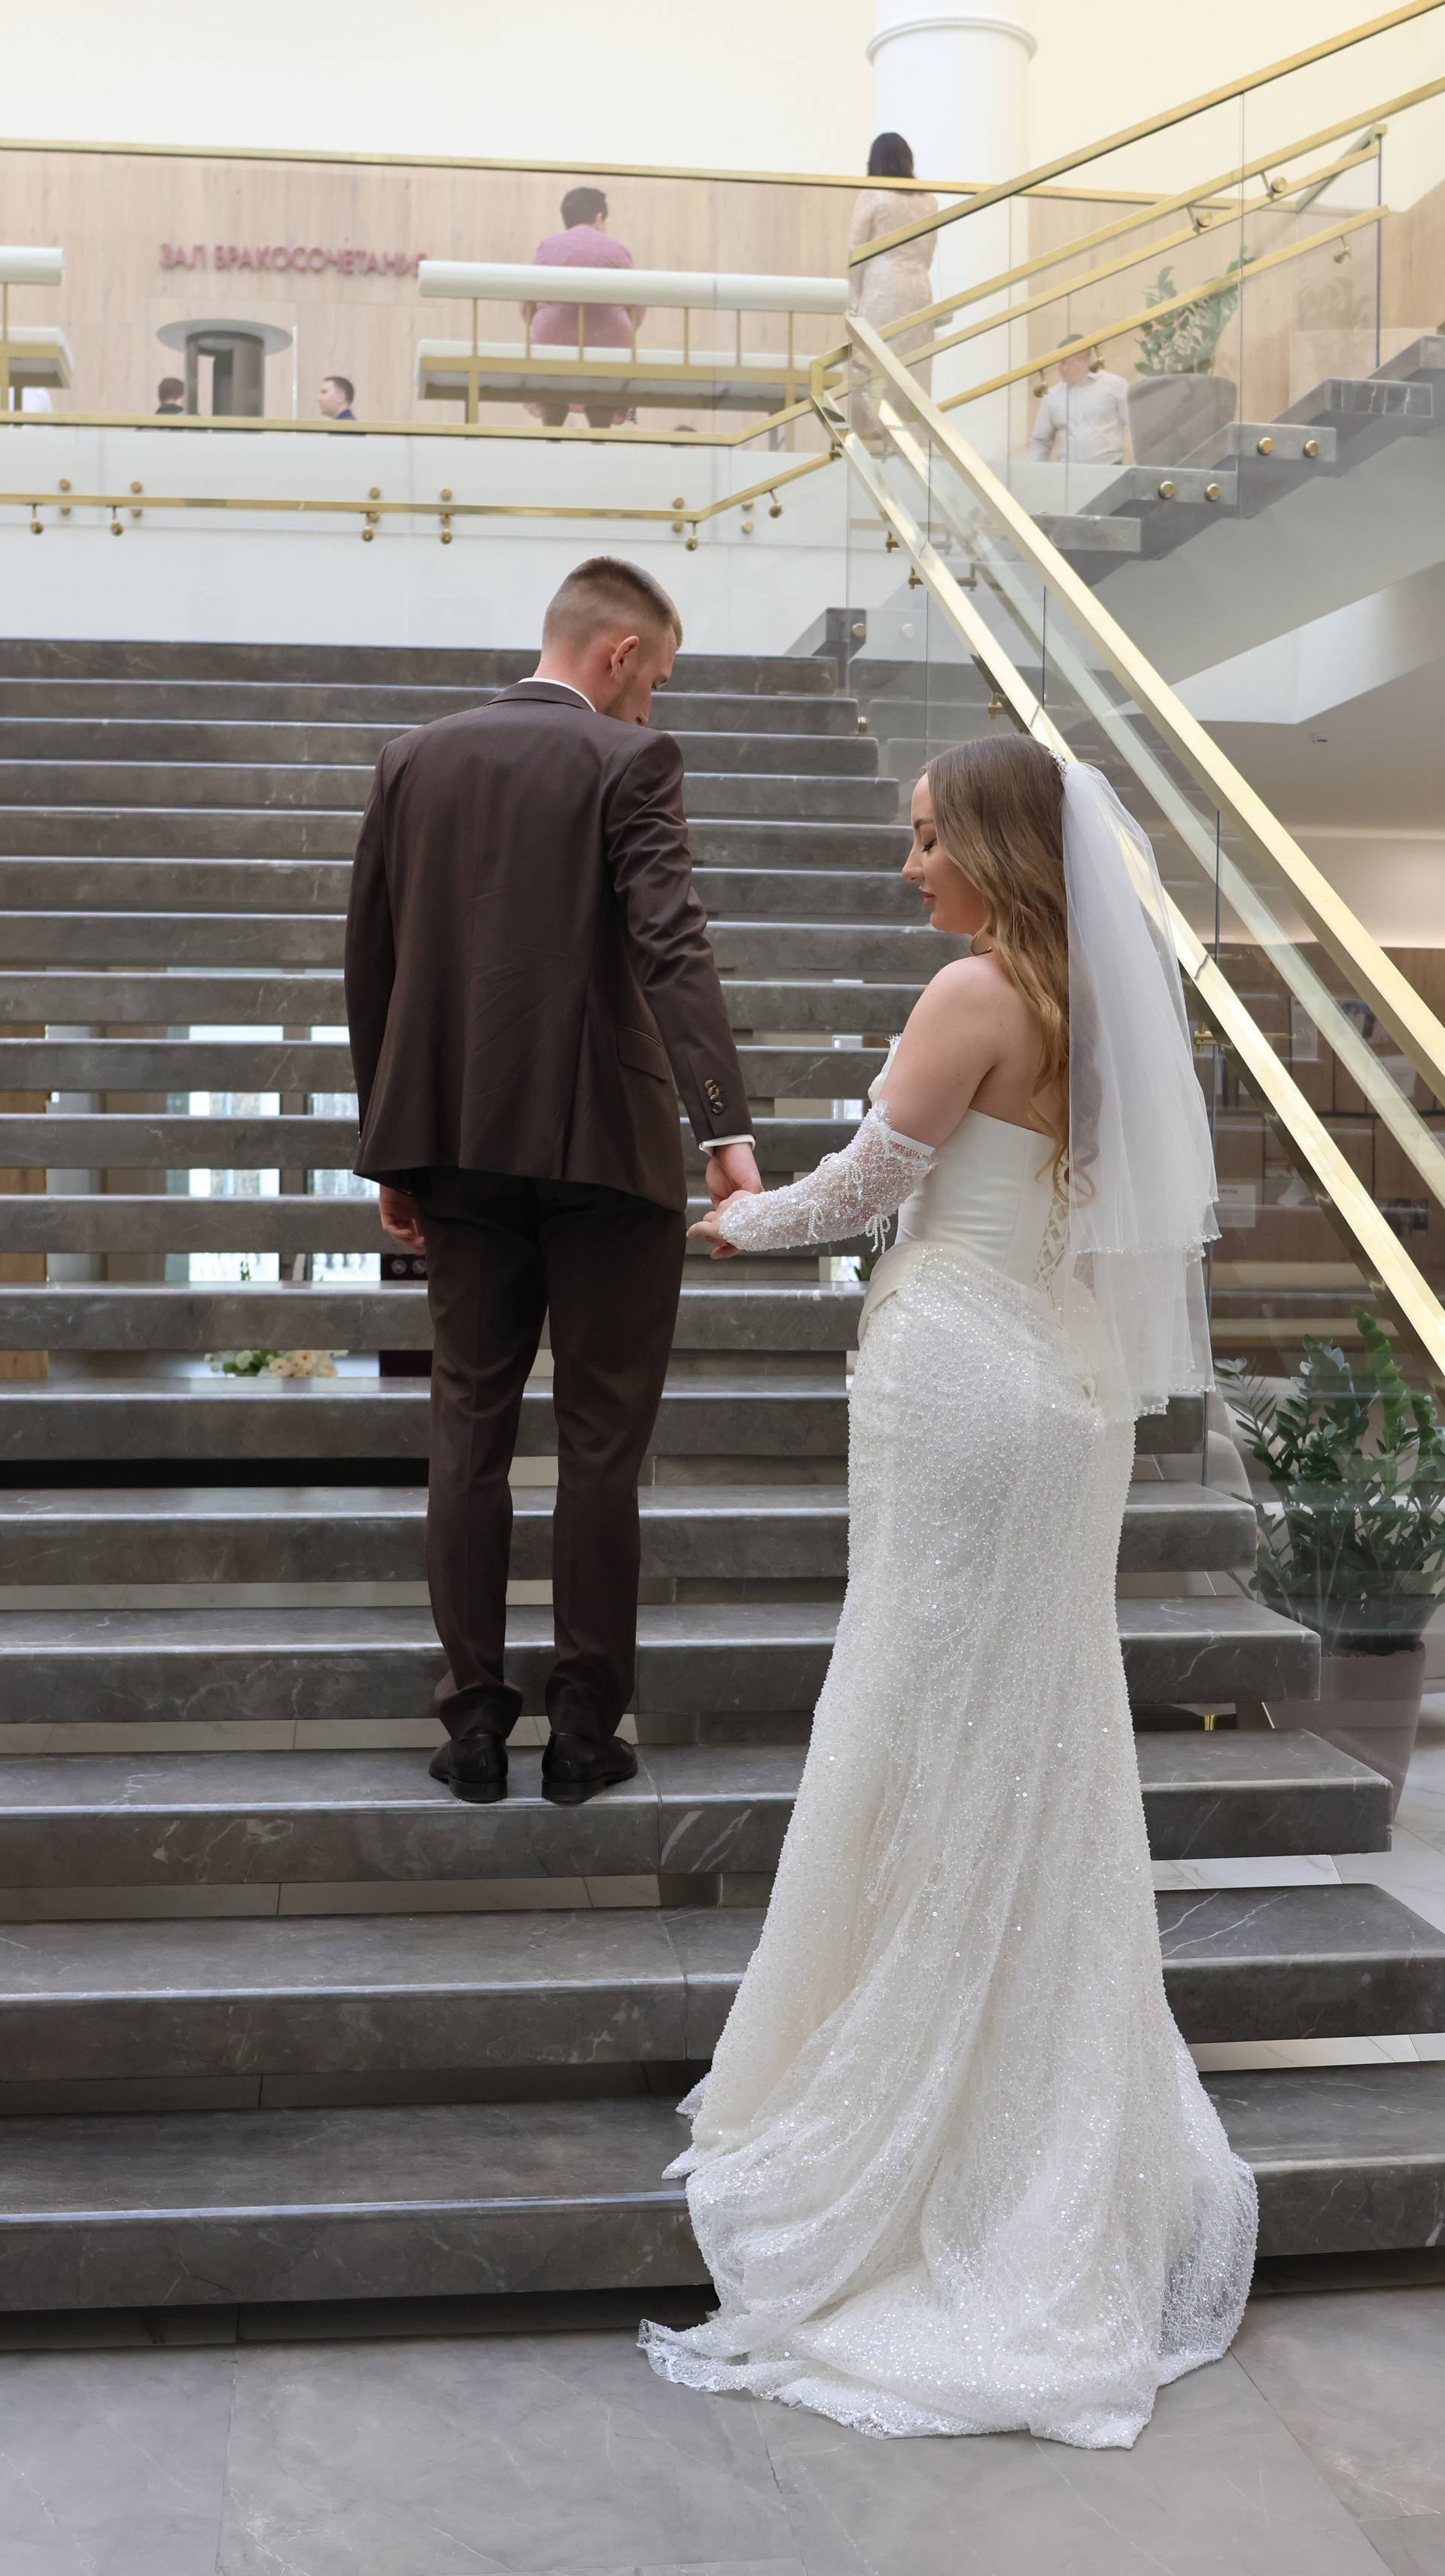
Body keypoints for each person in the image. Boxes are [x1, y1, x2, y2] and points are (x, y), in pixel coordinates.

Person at [641, 735, 1255, 2448]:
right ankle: (1030, 2091)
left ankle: (919, 2104)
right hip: (1060, 1393)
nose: (908, 865)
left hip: (967, 1383)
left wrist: (726, 1221)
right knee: (1032, 1731)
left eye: (925, 837)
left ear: (990, 843)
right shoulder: (1093, 1006)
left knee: (927, 1710)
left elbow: (866, 1188)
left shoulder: (974, 990)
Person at [345, 556, 759, 1810]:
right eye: (655, 679)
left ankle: (473, 1725)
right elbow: (671, 941)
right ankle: (583, 1733)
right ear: (620, 653)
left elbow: (372, 961)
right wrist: (724, 1126)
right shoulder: (630, 761)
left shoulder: (412, 761)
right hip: (606, 1152)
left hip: (458, 1146)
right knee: (599, 1446)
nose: (651, 704)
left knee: (468, 1429)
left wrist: (392, 1142)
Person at [527, 184, 640, 430]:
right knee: (602, 385)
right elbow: (636, 306)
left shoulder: (547, 248)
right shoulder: (616, 249)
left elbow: (527, 303)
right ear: (599, 218)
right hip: (607, 345)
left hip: (553, 343)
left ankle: (552, 433)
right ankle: (599, 434)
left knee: (552, 382)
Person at [848, 133, 938, 440]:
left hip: (883, 284)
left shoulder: (874, 193)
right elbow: (928, 252)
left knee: (874, 365)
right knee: (915, 368)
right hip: (918, 287)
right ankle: (912, 438)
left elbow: (856, 249)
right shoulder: (929, 201)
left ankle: (873, 436)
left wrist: (856, 296)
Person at [1028, 340, 1131, 465]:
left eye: (1064, 362)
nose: (1059, 368)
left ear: (1080, 360)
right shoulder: (1051, 396)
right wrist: (1032, 471)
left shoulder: (1115, 385)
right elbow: (1040, 442)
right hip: (1067, 473)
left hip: (1110, 471)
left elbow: (1135, 424)